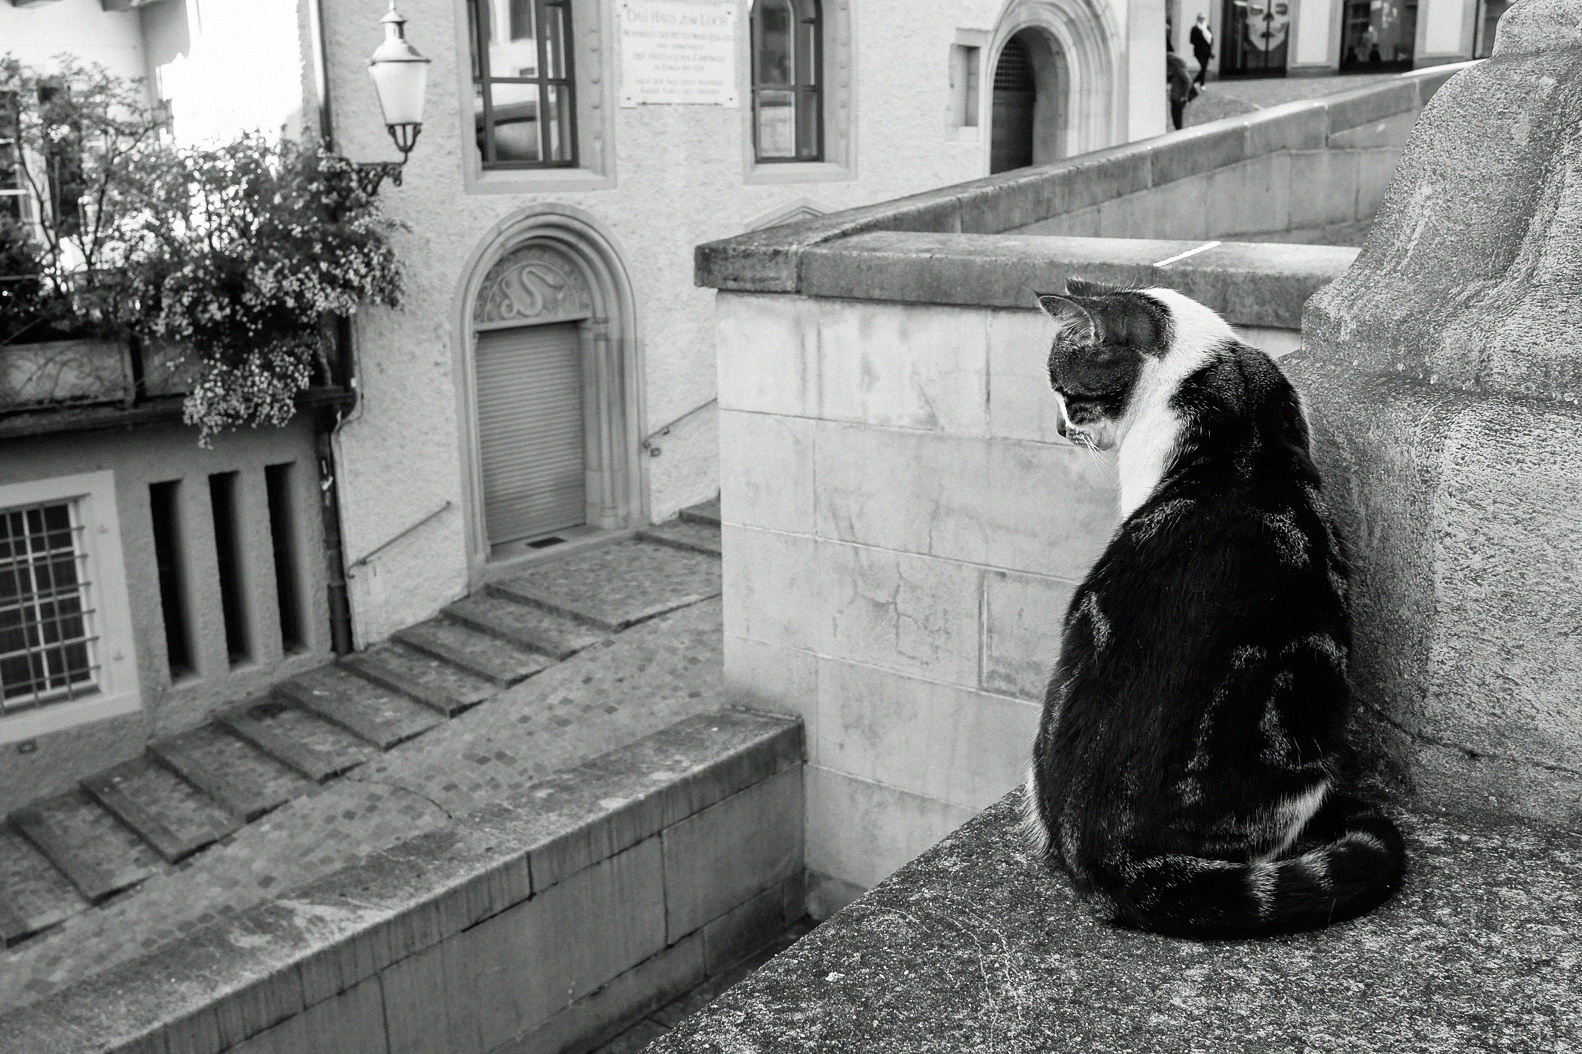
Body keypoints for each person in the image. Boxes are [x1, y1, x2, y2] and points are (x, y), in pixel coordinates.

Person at [1167, 51, 1198, 130]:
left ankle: (1179, 135)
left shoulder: (1179, 69)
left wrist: (1185, 96)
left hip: (1178, 97)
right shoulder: (1178, 69)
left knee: (1177, 120)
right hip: (1176, 96)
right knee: (1176, 119)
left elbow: (1188, 81)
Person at [1189, 13, 1214, 89]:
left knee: (1204, 68)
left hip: (1207, 51)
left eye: (1203, 18)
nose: (1202, 19)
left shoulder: (1207, 27)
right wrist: (1200, 43)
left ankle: (1201, 84)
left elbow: (1211, 38)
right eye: (1200, 18)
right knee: (1203, 66)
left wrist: (1210, 48)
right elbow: (1192, 40)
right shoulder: (1195, 28)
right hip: (1199, 51)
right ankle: (1197, 82)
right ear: (1198, 19)